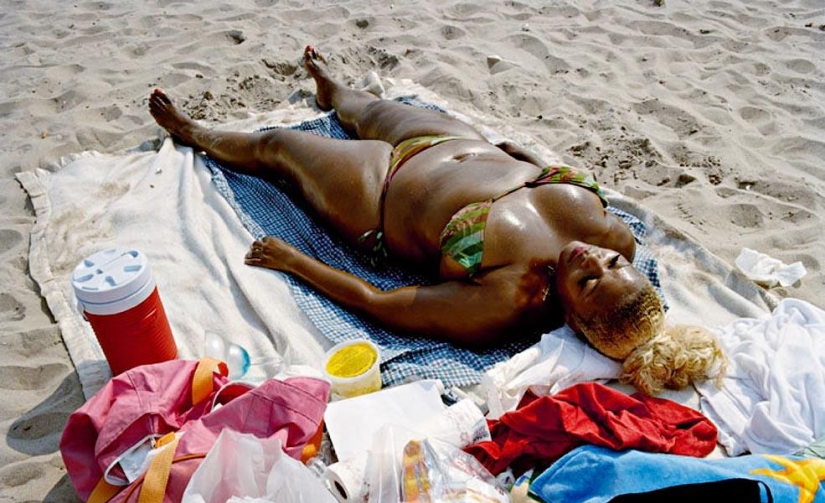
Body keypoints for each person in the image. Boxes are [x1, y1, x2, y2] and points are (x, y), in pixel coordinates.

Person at [148, 46, 724, 395]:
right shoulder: (609, 233)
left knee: (278, 146)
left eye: (589, 281)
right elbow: (550, 180)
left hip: (383, 191)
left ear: (570, 318)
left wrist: (294, 260)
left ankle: (193, 133)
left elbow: (382, 307)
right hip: (454, 142)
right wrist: (516, 158)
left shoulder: (506, 300)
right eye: (614, 264)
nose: (592, 259)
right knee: (362, 108)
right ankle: (331, 88)